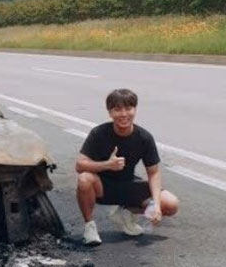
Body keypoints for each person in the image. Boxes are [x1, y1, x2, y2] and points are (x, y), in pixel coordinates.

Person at [75, 87, 179, 244]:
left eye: (128, 108)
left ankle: (125, 212)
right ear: (110, 113)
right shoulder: (99, 133)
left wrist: (156, 205)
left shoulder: (144, 137)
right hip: (102, 187)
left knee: (171, 204)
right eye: (117, 110)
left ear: (135, 109)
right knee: (84, 179)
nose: (124, 114)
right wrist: (107, 165)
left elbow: (153, 173)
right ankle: (90, 227)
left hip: (128, 185)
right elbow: (79, 165)